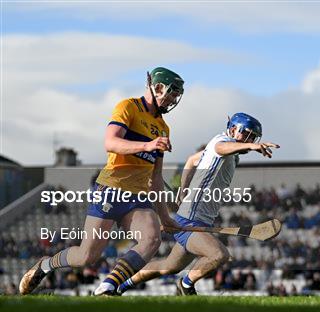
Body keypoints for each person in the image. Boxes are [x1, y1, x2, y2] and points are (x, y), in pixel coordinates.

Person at [19, 67, 184, 295]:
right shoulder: (128, 107)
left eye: (177, 95)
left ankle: (108, 287)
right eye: (172, 93)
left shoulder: (163, 128)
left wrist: (165, 216)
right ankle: (45, 264)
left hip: (138, 196)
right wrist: (147, 145)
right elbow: (111, 142)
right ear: (157, 88)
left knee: (152, 239)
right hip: (111, 189)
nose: (174, 99)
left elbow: (156, 177)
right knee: (87, 256)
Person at [117, 112, 279, 295]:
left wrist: (183, 189)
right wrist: (253, 145)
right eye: (246, 134)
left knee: (168, 266)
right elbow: (221, 148)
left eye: (253, 137)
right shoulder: (222, 141)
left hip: (199, 220)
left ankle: (120, 286)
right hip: (190, 220)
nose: (249, 140)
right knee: (219, 255)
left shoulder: (232, 155)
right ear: (233, 129)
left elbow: (192, 160)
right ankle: (185, 285)